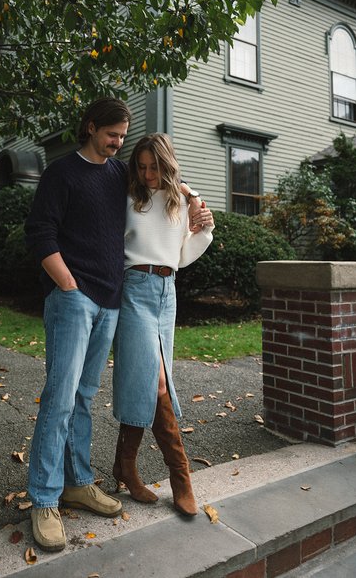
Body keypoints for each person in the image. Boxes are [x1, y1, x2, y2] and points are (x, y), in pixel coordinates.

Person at [24, 97, 132, 552]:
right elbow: (40, 233)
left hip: (110, 301)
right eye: (113, 135)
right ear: (90, 127)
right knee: (60, 398)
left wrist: (196, 207)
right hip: (73, 301)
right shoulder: (61, 173)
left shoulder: (120, 174)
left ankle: (78, 482)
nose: (118, 143)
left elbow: (162, 187)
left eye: (124, 137)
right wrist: (68, 285)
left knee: (84, 398)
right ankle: (44, 500)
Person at [112, 133, 214, 516]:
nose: (147, 173)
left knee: (146, 381)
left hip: (166, 291)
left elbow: (182, 256)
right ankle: (180, 475)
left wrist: (202, 225)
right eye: (141, 166)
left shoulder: (179, 202)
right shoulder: (128, 198)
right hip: (134, 289)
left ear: (167, 165)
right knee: (156, 383)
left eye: (154, 167)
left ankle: (125, 465)